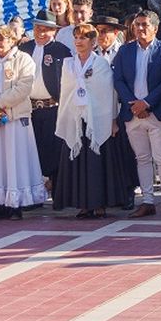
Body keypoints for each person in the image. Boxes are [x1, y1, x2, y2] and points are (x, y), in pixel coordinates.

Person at [0, 25, 46, 219]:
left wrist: (0, 104)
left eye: (2, 39)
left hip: (12, 116)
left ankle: (15, 204)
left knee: (14, 159)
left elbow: (24, 87)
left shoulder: (24, 59)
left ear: (12, 40)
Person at [54, 24, 127, 218]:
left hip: (97, 119)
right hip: (75, 119)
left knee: (97, 162)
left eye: (84, 37)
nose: (79, 41)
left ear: (93, 42)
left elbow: (108, 93)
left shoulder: (101, 64)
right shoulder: (68, 64)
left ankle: (100, 202)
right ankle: (83, 203)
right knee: (78, 161)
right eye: (76, 37)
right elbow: (65, 92)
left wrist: (112, 120)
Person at [112, 10, 161, 219]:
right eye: (137, 24)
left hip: (156, 113)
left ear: (155, 28)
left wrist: (147, 103)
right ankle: (147, 201)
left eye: (145, 25)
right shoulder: (125, 50)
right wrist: (133, 103)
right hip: (132, 114)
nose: (140, 28)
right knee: (142, 158)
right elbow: (118, 80)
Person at [19, 10, 72, 192]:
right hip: (29, 108)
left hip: (53, 108)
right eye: (38, 28)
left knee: (54, 151)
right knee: (31, 152)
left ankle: (58, 193)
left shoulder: (62, 51)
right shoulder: (24, 50)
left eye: (46, 29)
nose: (41, 33)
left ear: (54, 31)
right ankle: (33, 194)